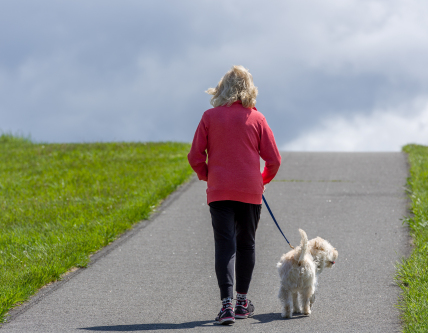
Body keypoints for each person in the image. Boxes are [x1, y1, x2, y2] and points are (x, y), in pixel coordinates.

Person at [188, 65, 281, 325]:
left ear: (222, 89)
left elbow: (195, 156)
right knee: (247, 244)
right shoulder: (257, 119)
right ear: (249, 90)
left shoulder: (209, 117)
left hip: (219, 191)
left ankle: (226, 306)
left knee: (225, 246)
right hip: (250, 192)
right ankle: (242, 303)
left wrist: (209, 176)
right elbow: (274, 160)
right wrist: (261, 181)